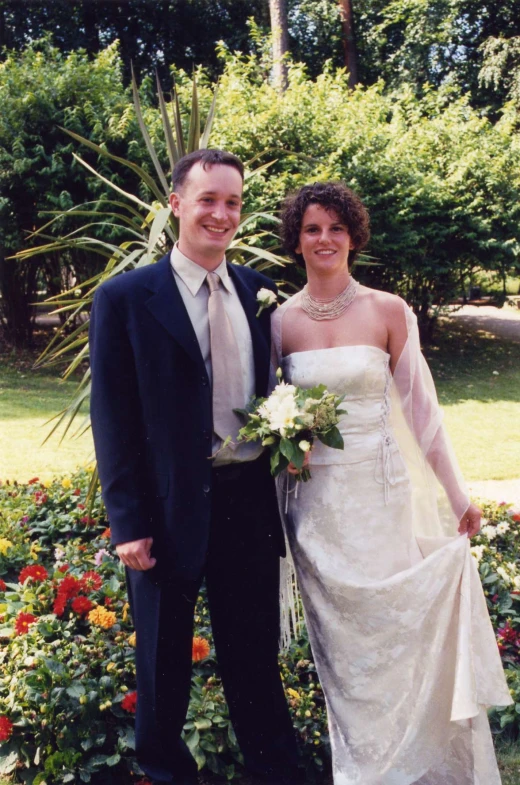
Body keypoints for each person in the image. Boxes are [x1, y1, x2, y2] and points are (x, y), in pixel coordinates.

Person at [272, 181, 512, 785]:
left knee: (398, 638)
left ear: (353, 235)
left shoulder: (387, 310)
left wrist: (458, 494)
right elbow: (269, 411)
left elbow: (422, 412)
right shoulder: (279, 323)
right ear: (297, 240)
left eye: (336, 228)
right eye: (312, 229)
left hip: (380, 501)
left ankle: (421, 765)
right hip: (316, 512)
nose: (325, 239)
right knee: (347, 661)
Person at [89, 149, 302, 785]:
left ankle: (275, 771)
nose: (221, 213)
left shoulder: (257, 293)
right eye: (207, 199)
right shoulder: (125, 297)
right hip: (165, 505)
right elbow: (113, 417)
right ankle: (164, 771)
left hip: (246, 500)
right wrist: (127, 522)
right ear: (177, 204)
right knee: (162, 660)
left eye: (232, 202)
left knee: (253, 657)